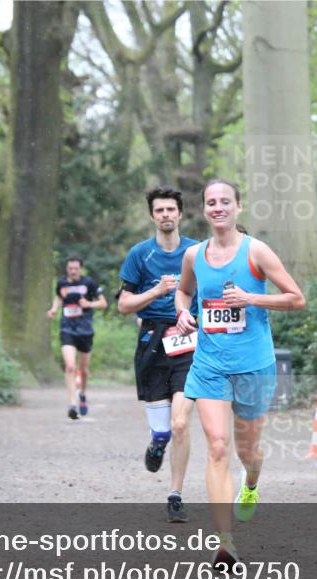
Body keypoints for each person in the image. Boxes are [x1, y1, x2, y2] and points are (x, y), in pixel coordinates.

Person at [174, 179, 305, 566]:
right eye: (211, 202)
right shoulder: (194, 256)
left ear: (237, 208)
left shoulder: (256, 252)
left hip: (252, 365)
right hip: (210, 364)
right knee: (217, 446)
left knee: (248, 452)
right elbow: (184, 293)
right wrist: (183, 313)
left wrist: (251, 298)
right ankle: (224, 540)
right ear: (205, 209)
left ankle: (251, 485)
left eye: (225, 202)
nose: (218, 208)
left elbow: (296, 298)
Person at [117, 186, 200, 522]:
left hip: (189, 342)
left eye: (171, 209)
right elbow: (123, 306)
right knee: (164, 430)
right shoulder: (140, 254)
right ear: (152, 216)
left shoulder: (196, 252)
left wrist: (193, 320)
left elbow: (211, 295)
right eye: (160, 210)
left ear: (180, 214)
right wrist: (157, 291)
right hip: (152, 340)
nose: (166, 215)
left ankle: (175, 495)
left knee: (181, 423)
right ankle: (156, 442)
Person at [47, 256, 106, 419]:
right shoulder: (62, 283)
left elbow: (103, 303)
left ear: (80, 269)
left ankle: (83, 395)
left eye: (75, 268)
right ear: (67, 269)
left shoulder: (89, 283)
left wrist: (89, 304)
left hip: (85, 331)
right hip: (67, 329)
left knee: (84, 370)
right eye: (70, 268)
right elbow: (59, 296)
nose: (73, 271)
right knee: (70, 366)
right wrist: (53, 309)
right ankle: (72, 403)